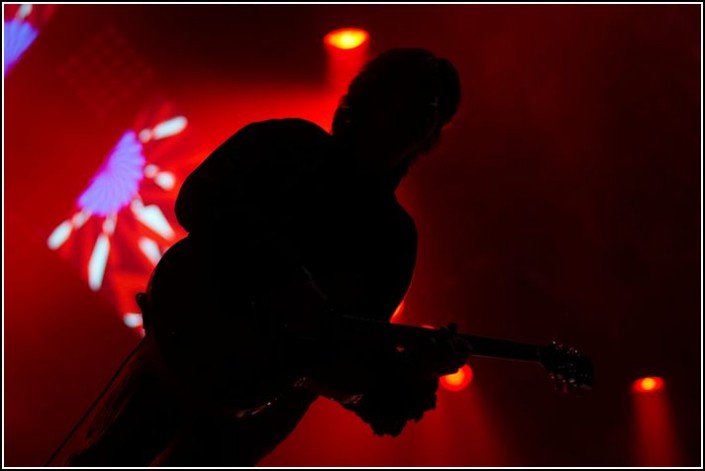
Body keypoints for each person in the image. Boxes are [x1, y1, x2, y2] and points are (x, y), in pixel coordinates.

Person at [63, 47, 467, 467]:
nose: (408, 118)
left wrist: (415, 373)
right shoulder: (289, 144)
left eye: (426, 112)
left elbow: (345, 355)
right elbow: (197, 201)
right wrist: (285, 279)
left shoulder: (395, 239)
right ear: (371, 95)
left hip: (245, 410)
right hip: (195, 361)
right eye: (405, 99)